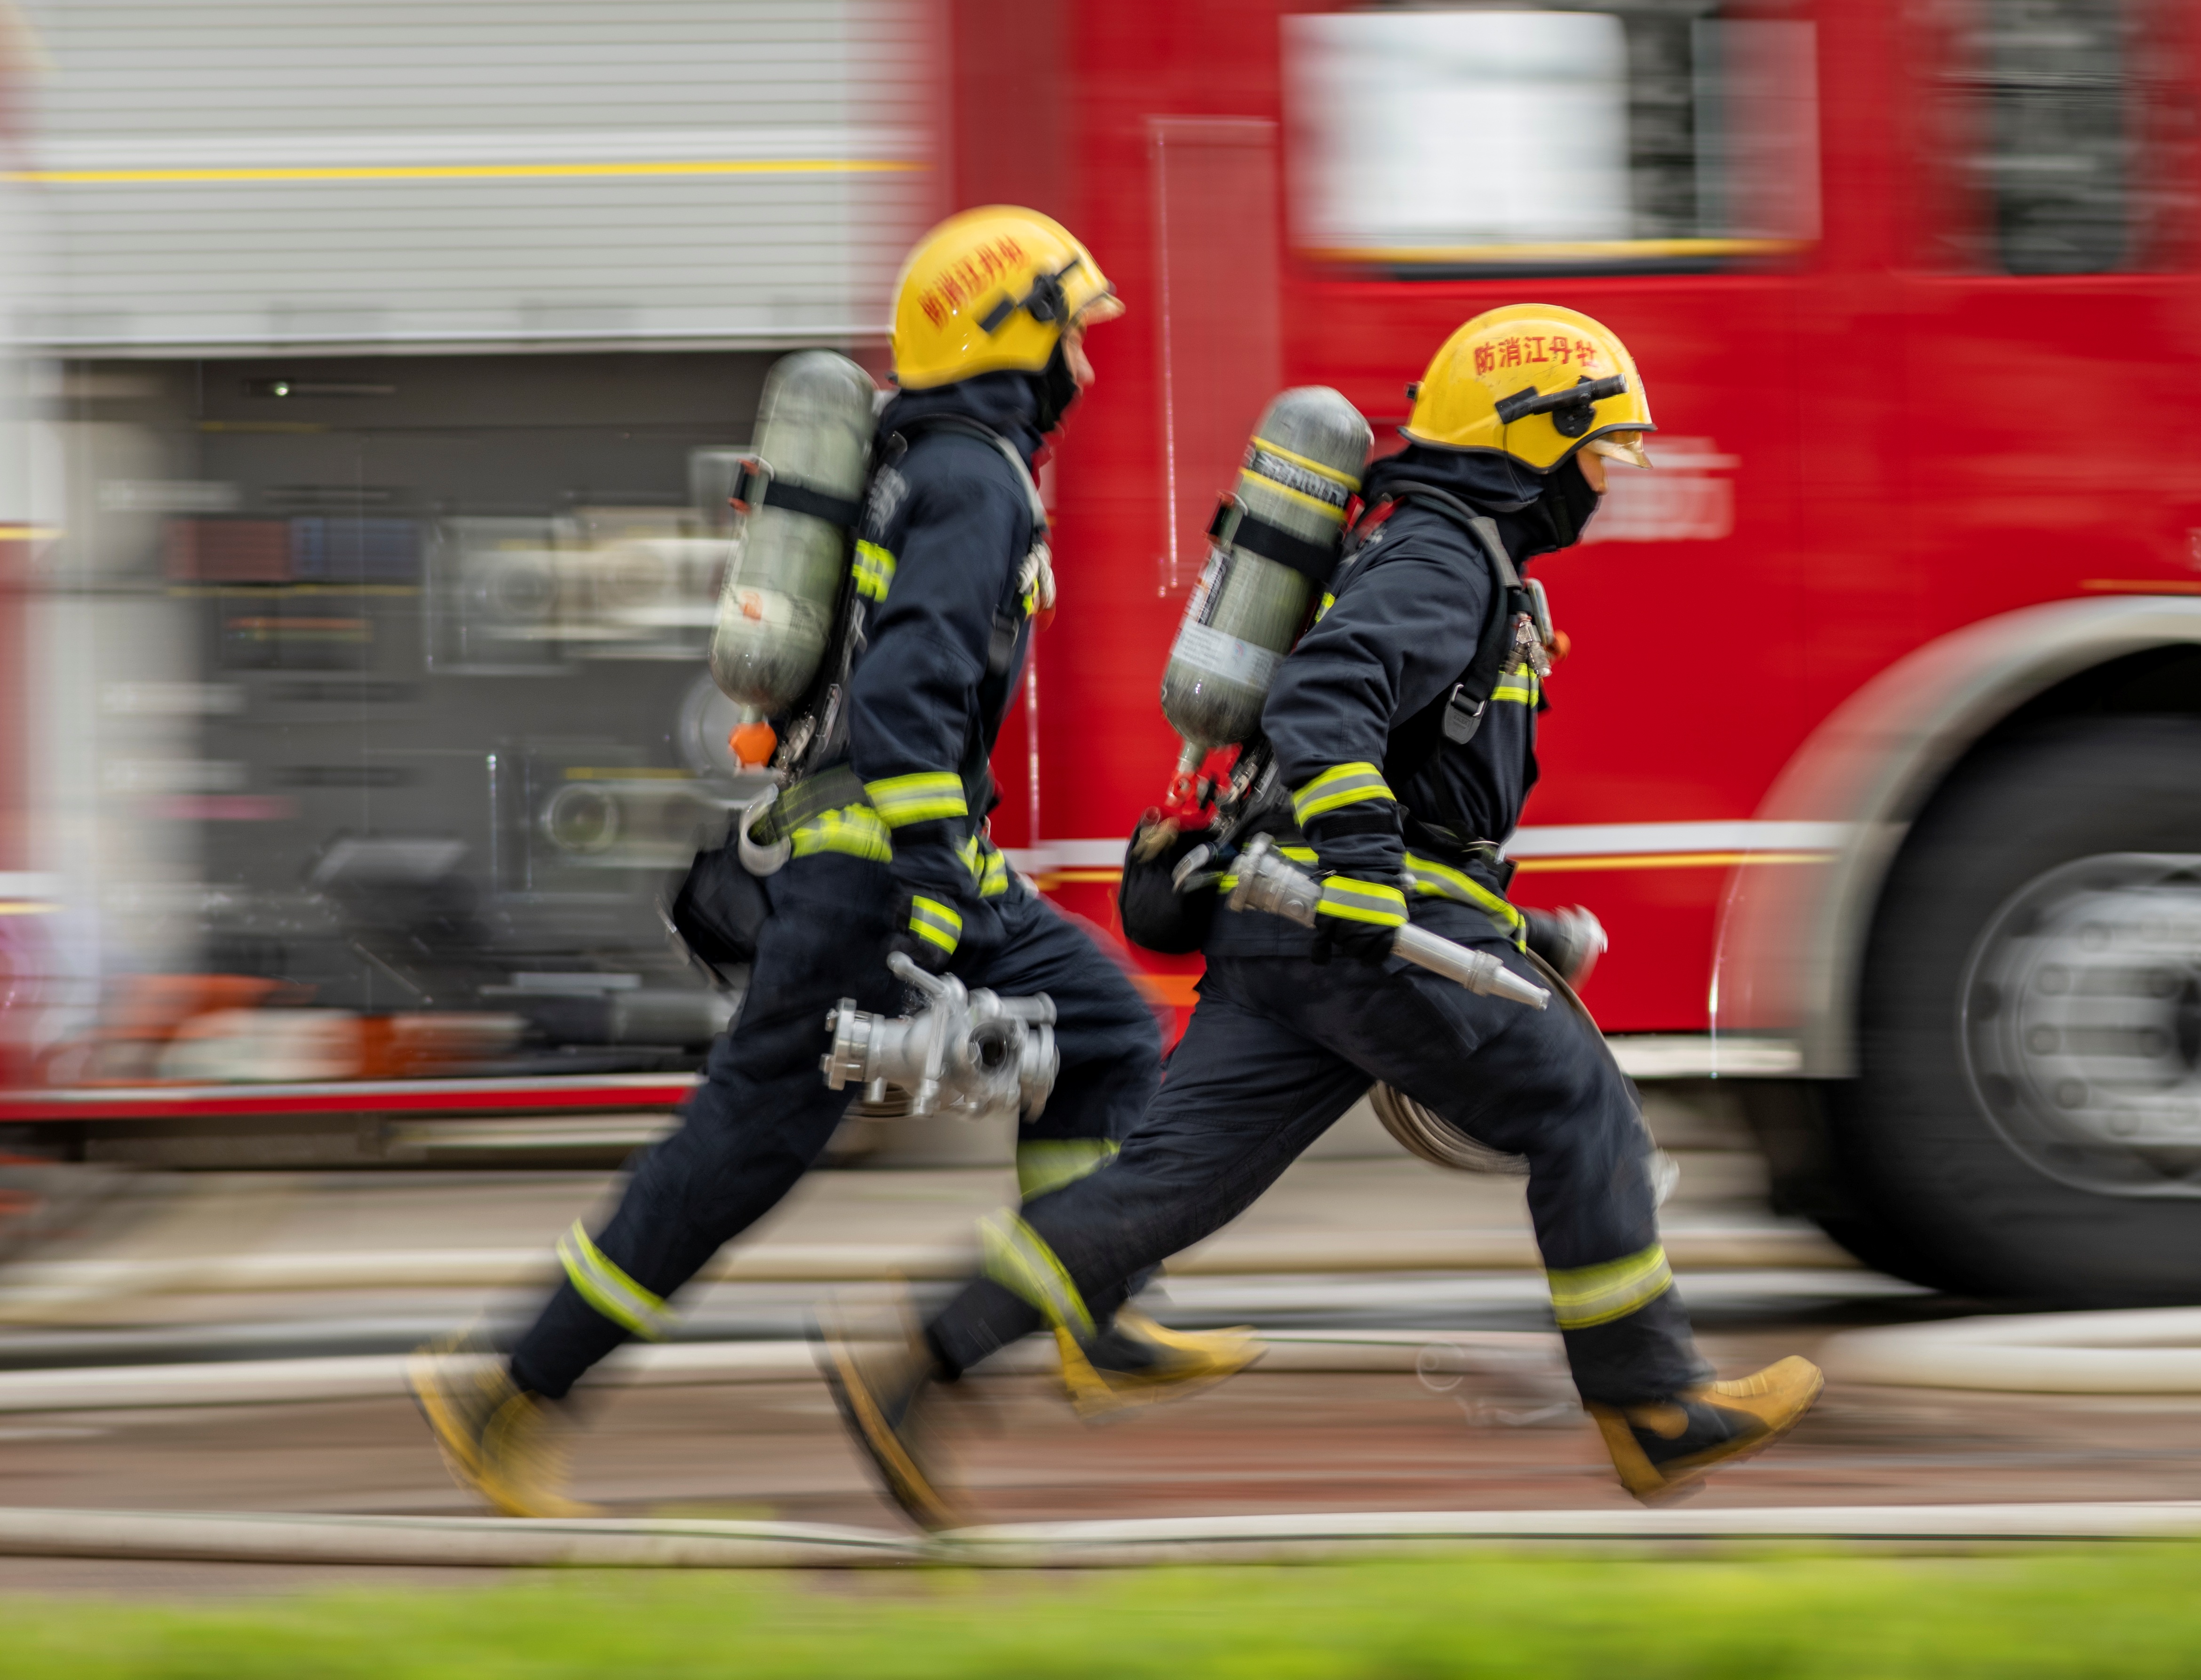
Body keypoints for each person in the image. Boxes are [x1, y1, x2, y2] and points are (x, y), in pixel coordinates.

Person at [820, 304, 1821, 1524]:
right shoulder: (1446, 554)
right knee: (1578, 1104)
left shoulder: (1446, 553)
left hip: (1283, 930)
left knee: (1168, 1186)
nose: (1608, 481)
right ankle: (1652, 1405)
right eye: (1599, 451)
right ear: (1533, 439)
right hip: (1350, 926)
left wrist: (1480, 912)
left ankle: (918, 1365)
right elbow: (1325, 697)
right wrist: (1360, 863)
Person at [412, 207, 1245, 1519]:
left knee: (1102, 1032)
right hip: (876, 869)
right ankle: (509, 1389)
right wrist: (929, 882)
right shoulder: (973, 478)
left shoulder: (918, 463)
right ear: (1012, 336)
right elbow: (912, 693)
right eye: (1072, 329)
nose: (1088, 359)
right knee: (745, 1146)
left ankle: (1097, 1309)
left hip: (897, 849)